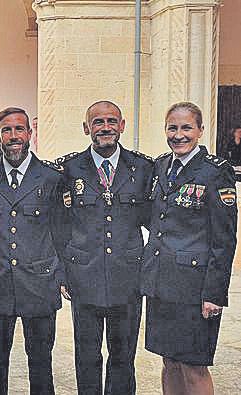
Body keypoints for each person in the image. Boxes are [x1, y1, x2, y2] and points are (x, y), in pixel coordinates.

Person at [141, 102, 237, 394]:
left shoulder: (215, 173)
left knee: (193, 365)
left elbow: (224, 239)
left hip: (194, 289)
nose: (179, 135)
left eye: (186, 128)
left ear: (200, 130)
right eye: (173, 127)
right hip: (160, 283)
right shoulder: (160, 166)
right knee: (169, 361)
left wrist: (214, 294)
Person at [57, 100, 153, 394]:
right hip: (84, 278)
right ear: (87, 128)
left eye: (112, 121)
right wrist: (62, 273)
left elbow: (156, 222)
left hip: (128, 279)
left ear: (122, 126)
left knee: (123, 358)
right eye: (98, 122)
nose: (106, 127)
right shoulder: (68, 168)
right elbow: (59, 227)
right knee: (86, 357)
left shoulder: (143, 167)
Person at [0, 107, 66, 395]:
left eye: (18, 129)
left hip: (38, 285)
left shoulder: (52, 177)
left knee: (40, 365)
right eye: (6, 130)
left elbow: (61, 230)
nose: (13, 136)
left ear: (29, 133)